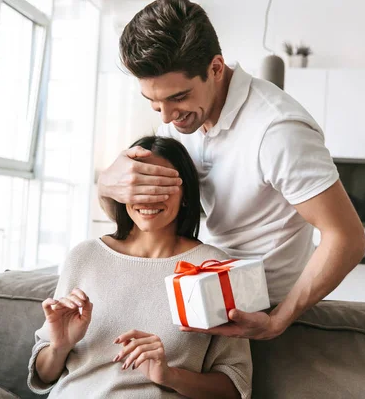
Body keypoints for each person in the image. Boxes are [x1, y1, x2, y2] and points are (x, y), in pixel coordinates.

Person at [98, 0, 365, 340]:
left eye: (177, 97)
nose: (165, 117)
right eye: (153, 101)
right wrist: (107, 185)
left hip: (259, 312)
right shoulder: (180, 121)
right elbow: (137, 214)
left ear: (216, 67)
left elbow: (347, 237)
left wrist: (278, 321)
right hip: (199, 292)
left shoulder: (277, 130)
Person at [27, 136, 252, 398]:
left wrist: (169, 375)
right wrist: (59, 346)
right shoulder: (84, 256)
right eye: (140, 185)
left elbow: (235, 387)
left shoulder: (213, 267)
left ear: (186, 195)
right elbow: (44, 375)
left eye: (161, 185)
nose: (148, 196)